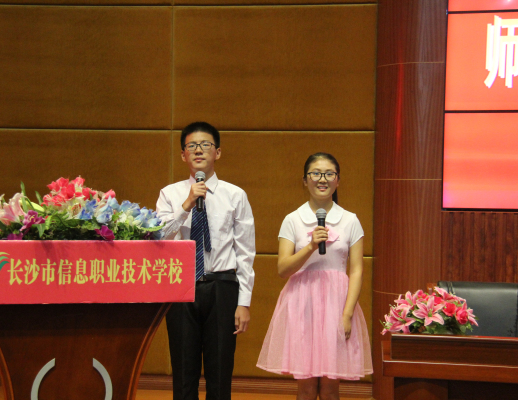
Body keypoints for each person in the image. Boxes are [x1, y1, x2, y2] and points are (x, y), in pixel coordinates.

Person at [256, 152, 372, 400]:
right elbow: (283, 269)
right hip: (302, 305)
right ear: (305, 180)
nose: (322, 179)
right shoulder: (293, 220)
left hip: (338, 306)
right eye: (316, 173)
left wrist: (347, 314)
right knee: (306, 388)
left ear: (337, 180)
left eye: (329, 174)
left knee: (330, 389)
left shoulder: (350, 220)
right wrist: (310, 246)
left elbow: (356, 270)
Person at [156, 122, 255, 400]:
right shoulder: (170, 194)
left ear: (218, 152)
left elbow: (245, 252)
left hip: (222, 286)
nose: (198, 150)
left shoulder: (235, 195)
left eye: (205, 145)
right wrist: (186, 205)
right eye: (192, 146)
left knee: (220, 373)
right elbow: (159, 237)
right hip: (181, 287)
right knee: (183, 372)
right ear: (183, 155)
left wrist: (244, 302)